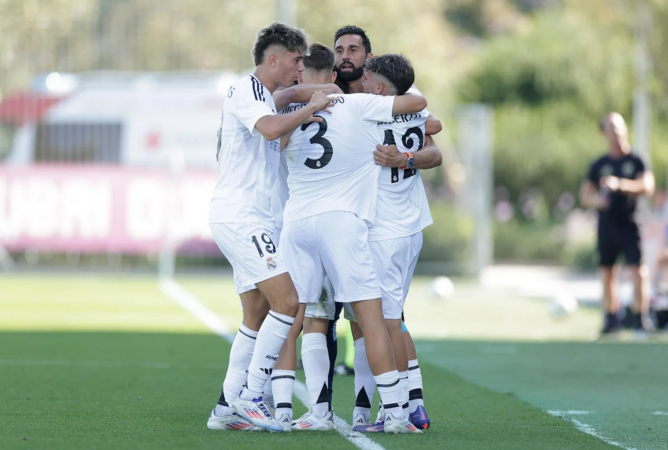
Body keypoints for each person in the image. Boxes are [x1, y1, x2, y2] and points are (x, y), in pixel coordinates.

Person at [279, 43, 427, 434]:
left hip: (296, 222)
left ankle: (308, 411)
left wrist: (298, 98)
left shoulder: (287, 113)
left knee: (306, 318)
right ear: (332, 76)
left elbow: (270, 138)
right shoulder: (359, 105)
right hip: (345, 224)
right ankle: (396, 412)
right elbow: (417, 104)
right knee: (372, 321)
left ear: (299, 76)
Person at [206, 22, 337, 433]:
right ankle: (251, 396)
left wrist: (312, 95)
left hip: (251, 217)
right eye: (297, 59)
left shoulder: (263, 95)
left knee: (257, 312)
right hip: (241, 216)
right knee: (288, 300)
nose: (302, 67)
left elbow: (280, 111)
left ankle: (227, 406)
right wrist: (312, 106)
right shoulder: (246, 90)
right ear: (275, 58)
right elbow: (271, 129)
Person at [331, 25, 440, 430]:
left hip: (385, 230)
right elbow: (433, 123)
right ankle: (390, 407)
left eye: (354, 50)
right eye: (340, 49)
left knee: (385, 321)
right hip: (404, 226)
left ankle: (405, 409)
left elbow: (435, 145)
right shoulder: (402, 104)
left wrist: (403, 157)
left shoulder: (370, 107)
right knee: (371, 320)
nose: (346, 56)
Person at [579, 112, 655, 335]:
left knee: (637, 271)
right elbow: (585, 196)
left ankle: (640, 318)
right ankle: (610, 318)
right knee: (607, 272)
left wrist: (620, 184)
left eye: (619, 127)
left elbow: (647, 186)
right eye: (611, 128)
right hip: (607, 226)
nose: (617, 132)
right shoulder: (599, 164)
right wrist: (598, 201)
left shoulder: (637, 160)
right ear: (604, 133)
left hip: (631, 223)